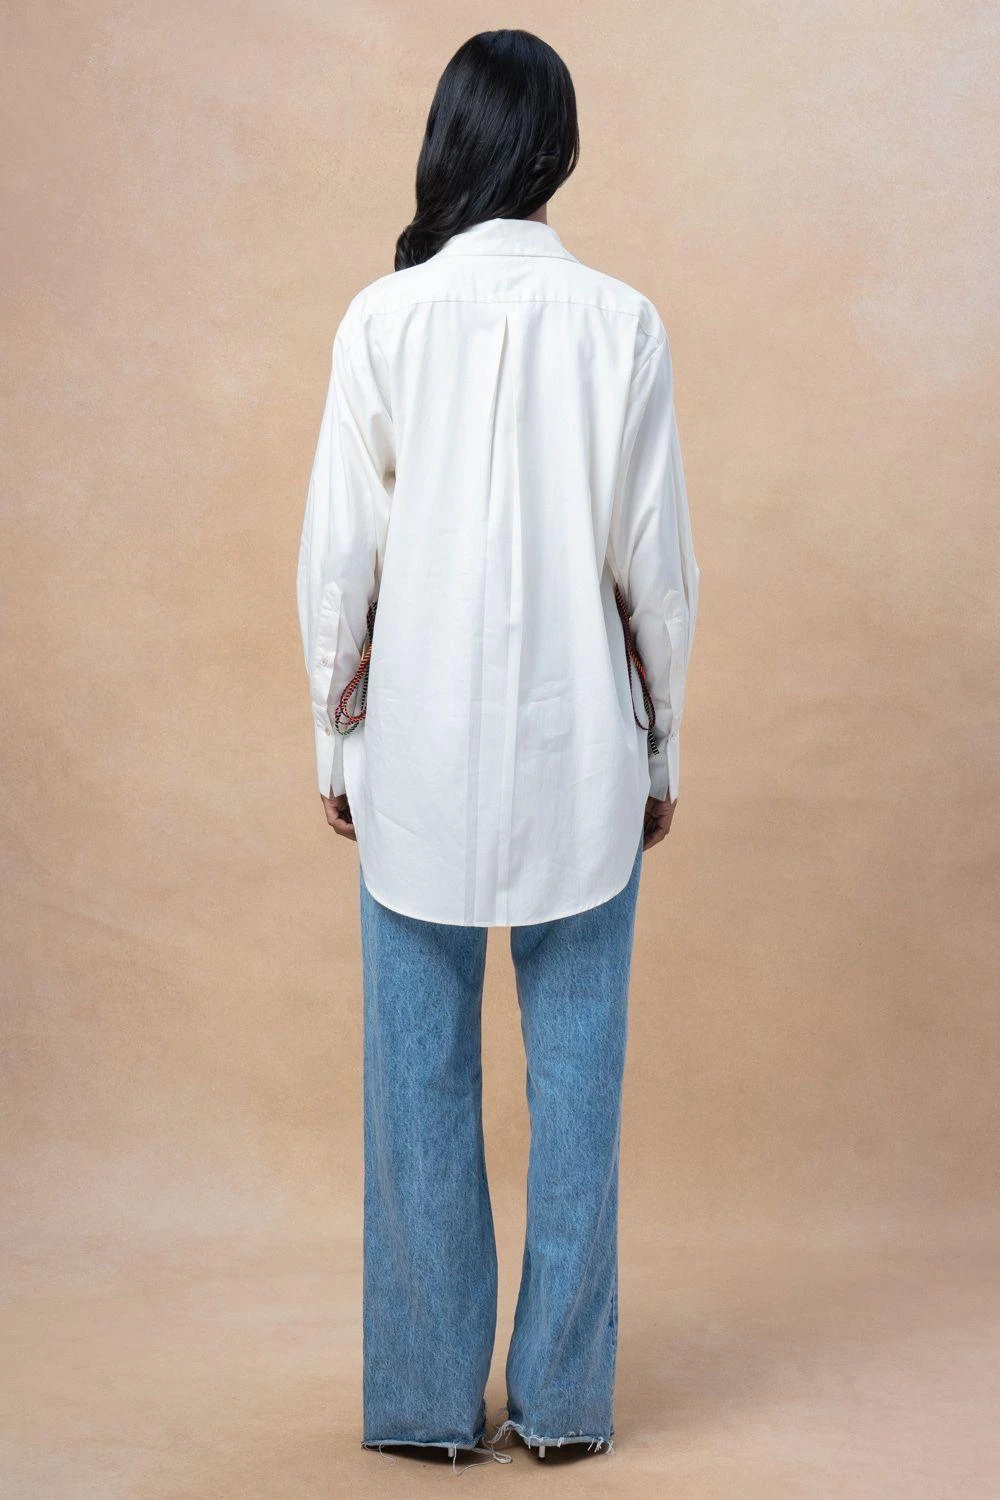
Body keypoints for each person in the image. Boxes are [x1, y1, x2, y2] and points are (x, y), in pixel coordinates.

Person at [296, 28, 699, 1468]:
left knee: (416, 1088)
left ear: (449, 140)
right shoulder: (623, 322)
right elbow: (654, 564)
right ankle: (564, 1406)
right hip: (584, 750)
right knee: (578, 1093)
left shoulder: (382, 319)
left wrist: (332, 733)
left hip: (414, 751)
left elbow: (340, 554)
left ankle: (423, 1402)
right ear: (560, 150)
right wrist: (663, 747)